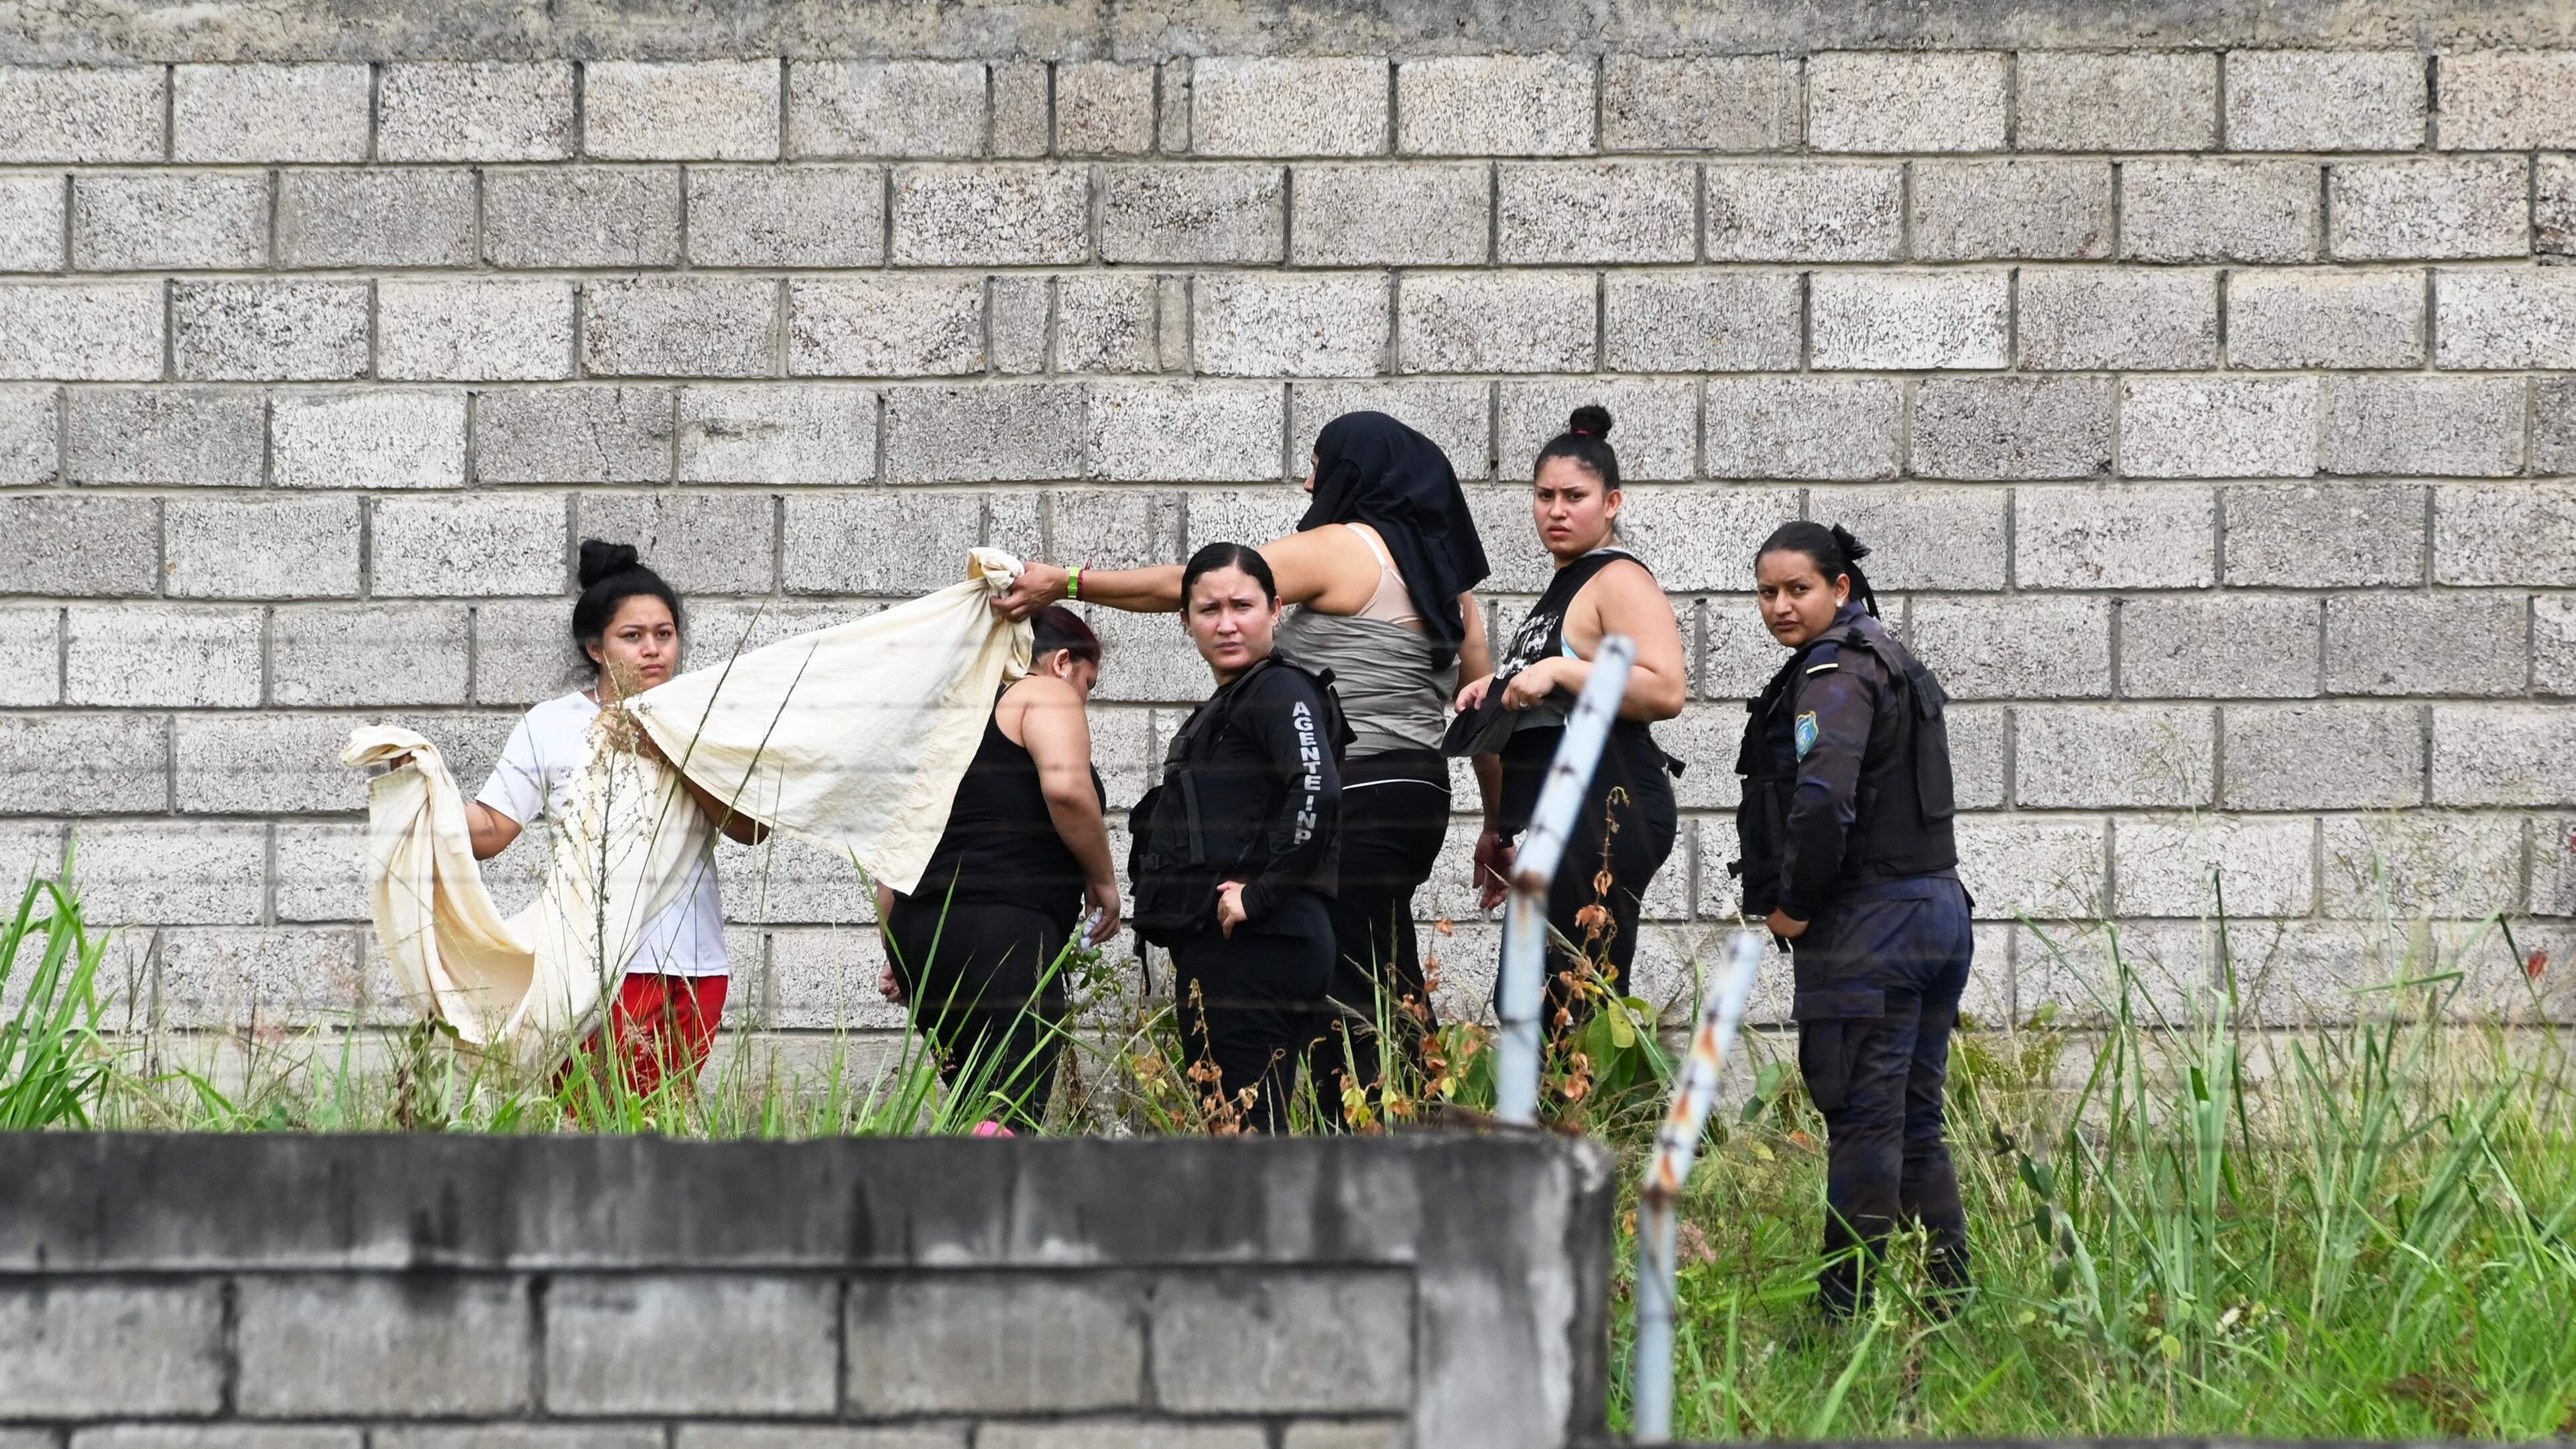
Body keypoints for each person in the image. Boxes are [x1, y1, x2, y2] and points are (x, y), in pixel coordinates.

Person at [994, 412, 1491, 1121]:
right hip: (1420, 794)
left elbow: (1200, 581)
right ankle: (1421, 1126)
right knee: (1386, 970)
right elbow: (1483, 713)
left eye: (1319, 461)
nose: (1309, 478)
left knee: (1335, 975)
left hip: (1348, 785)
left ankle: (1378, 1139)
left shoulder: (1345, 547)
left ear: (1357, 469)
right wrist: (1496, 823)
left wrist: (1068, 580)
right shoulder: (1451, 588)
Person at [1732, 521, 1972, 1319]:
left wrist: (1794, 904)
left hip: (1874, 925)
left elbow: (1824, 800)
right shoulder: (1892, 657)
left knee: (1865, 1120)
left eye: (1797, 588)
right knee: (1912, 1121)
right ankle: (1949, 1301)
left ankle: (1842, 1315)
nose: (1779, 606)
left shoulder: (1835, 672)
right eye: (1767, 591)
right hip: (1936, 910)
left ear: (1840, 588)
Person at [467, 540, 768, 1098]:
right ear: (596, 649)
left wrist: (666, 751)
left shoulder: (705, 717)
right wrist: (422, 790)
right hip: (589, 966)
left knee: (659, 1126)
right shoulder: (552, 724)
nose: (652, 650)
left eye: (664, 634)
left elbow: (751, 828)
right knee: (586, 1122)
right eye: (632, 637)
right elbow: (490, 831)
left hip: (692, 963)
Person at [1448, 405, 1685, 1037]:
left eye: (1574, 497)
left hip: (1611, 800)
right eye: (1543, 495)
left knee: (1574, 1002)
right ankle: (1571, 1128)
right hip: (1558, 809)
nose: (1556, 510)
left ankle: (1606, 1133)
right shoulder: (1563, 585)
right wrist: (1495, 688)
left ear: (1611, 503)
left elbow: (1665, 689)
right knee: (1529, 1000)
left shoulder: (1618, 578)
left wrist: (1558, 671)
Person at [1127, 543, 1346, 1133]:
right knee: (1241, 1127)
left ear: (1275, 610)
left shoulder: (1279, 691)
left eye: (1242, 606)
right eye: (1208, 609)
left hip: (1261, 941)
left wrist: (1259, 896)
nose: (1226, 623)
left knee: (1242, 1132)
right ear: (1185, 621)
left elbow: (1318, 793)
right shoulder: (1235, 700)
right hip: (1239, 946)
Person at [874, 607, 1121, 1129]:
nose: (1082, 700)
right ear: (1060, 662)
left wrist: (897, 956)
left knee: (977, 1114)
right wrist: (1103, 880)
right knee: (1010, 1115)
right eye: (1087, 684)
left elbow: (894, 856)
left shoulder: (951, 723)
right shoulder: (1043, 691)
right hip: (1003, 931)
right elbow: (1066, 788)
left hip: (921, 938)